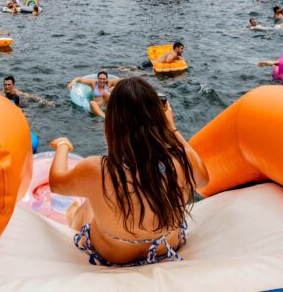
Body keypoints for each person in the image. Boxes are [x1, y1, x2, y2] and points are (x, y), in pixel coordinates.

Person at [49, 77, 209, 266]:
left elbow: (56, 182)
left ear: (113, 121)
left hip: (114, 254)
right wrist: (171, 127)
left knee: (89, 205)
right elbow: (203, 181)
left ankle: (73, 218)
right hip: (166, 246)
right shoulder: (179, 161)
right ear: (159, 116)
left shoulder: (97, 170)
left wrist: (63, 146)